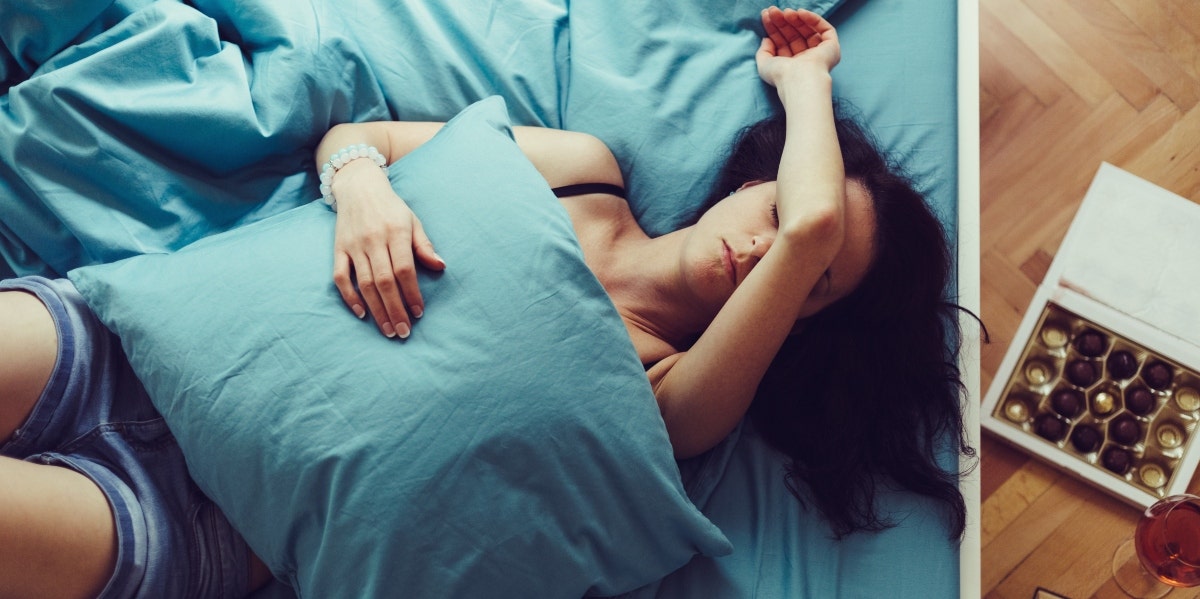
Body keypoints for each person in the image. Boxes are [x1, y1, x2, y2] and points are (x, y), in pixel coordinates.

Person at [0, 7, 969, 599]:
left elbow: (802, 235)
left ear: (801, 306)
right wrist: (363, 188)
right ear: (745, 181)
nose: (767, 240)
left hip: (194, 524)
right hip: (117, 345)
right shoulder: (582, 172)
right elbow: (355, 137)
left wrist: (806, 90)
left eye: (812, 272)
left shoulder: (681, 400)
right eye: (773, 207)